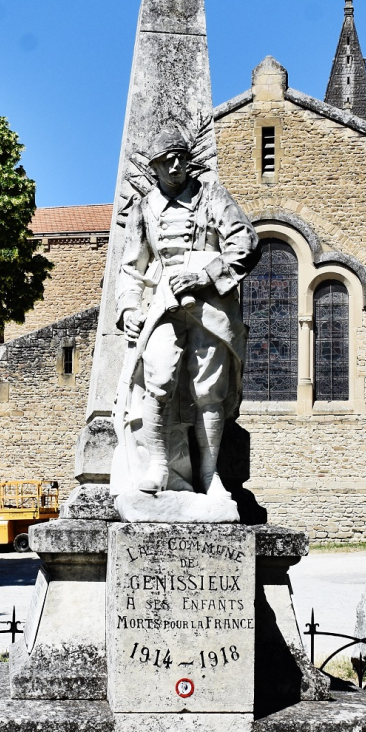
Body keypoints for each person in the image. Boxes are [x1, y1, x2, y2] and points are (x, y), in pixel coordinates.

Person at [114, 124, 259, 497]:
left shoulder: (212, 197)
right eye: (167, 160)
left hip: (210, 305)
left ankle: (210, 477)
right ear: (156, 166)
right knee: (159, 379)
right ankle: (159, 465)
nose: (176, 165)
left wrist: (206, 275)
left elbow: (246, 242)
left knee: (209, 390)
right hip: (161, 304)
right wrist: (130, 307)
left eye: (181, 158)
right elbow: (132, 266)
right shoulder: (145, 208)